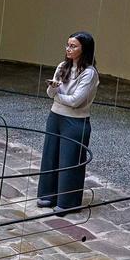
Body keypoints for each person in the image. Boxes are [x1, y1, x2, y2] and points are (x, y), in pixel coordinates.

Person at [37, 32, 99, 213]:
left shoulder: (89, 73)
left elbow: (75, 101)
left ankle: (68, 201)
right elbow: (50, 93)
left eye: (73, 46)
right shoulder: (62, 66)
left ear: (84, 49)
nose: (68, 49)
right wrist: (54, 91)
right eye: (67, 45)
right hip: (55, 116)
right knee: (50, 156)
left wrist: (57, 94)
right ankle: (48, 195)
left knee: (70, 160)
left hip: (75, 121)